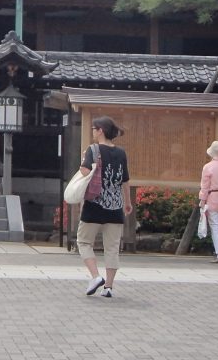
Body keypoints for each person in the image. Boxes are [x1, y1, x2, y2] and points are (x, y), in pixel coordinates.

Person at [76, 115, 132, 298]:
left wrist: (83, 160)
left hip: (94, 204)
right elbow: (125, 180)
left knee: (84, 242)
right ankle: (108, 287)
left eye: (94, 129)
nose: (93, 132)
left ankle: (95, 277)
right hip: (115, 207)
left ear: (100, 130)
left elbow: (85, 171)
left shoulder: (93, 149)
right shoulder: (121, 153)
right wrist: (128, 202)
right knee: (112, 248)